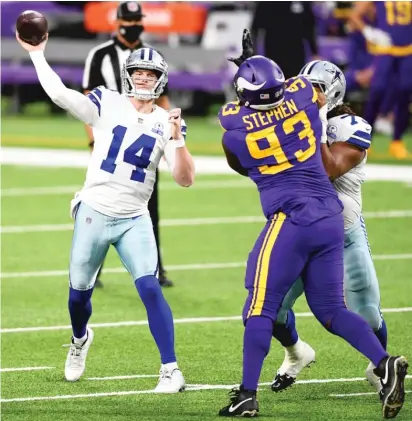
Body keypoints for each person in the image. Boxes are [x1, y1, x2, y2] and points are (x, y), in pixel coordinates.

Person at [217, 31, 407, 419]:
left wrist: (247, 79)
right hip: (329, 218)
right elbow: (294, 92)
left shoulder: (239, 133)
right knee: (331, 310)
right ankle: (384, 362)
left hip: (293, 218)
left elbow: (237, 124)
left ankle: (247, 395)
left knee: (259, 305)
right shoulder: (305, 101)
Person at [17, 30, 195, 392]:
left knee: (149, 286)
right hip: (94, 211)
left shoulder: (167, 120)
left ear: (160, 80)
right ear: (128, 75)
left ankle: (170, 368)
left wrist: (177, 137)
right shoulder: (106, 101)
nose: (143, 78)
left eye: (150, 73)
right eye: (138, 72)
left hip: (134, 217)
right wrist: (37, 54)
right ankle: (80, 340)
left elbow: (184, 179)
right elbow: (60, 95)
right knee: (78, 295)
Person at [271, 60, 389, 396]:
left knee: (365, 313)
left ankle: (380, 367)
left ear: (333, 93)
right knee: (270, 307)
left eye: (317, 89)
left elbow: (328, 170)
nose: (310, 95)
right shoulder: (291, 121)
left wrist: (315, 121)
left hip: (343, 235)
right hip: (301, 231)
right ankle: (296, 353)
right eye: (305, 88)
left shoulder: (352, 126)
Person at [83, 1, 173, 287]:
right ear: (119, 21)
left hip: (144, 139)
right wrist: (92, 140)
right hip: (111, 139)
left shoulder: (152, 56)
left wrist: (170, 137)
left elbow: (163, 99)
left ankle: (154, 267)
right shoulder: (100, 55)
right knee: (101, 205)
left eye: (138, 19)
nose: (135, 24)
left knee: (149, 206)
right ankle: (91, 268)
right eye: (130, 19)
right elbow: (88, 100)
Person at [349, 1, 412, 159]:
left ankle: (397, 141)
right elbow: (355, 14)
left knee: (405, 91)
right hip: (385, 48)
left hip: (408, 49)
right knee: (377, 90)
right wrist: (368, 31)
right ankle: (365, 140)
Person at [250, 1, 319, 79]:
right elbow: (255, 29)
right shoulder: (266, 3)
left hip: (296, 55)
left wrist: (315, 52)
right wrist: (253, 54)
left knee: (296, 85)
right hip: (273, 54)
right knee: (276, 85)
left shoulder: (301, 2)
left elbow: (309, 27)